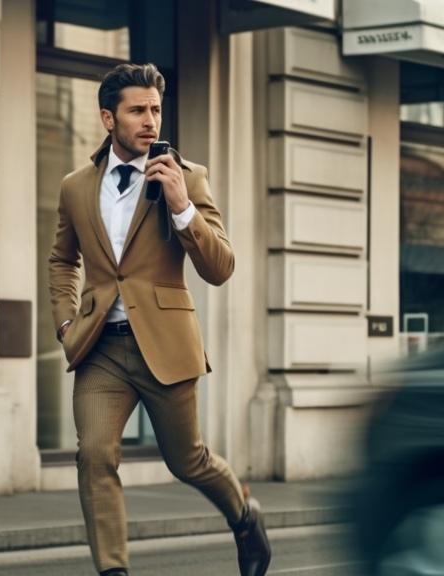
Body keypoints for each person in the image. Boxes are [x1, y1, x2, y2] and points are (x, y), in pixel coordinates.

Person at [48, 62, 271, 576]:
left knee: (186, 459)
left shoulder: (188, 177)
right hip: (101, 347)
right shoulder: (76, 186)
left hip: (165, 346)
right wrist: (65, 323)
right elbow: (63, 260)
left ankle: (243, 515)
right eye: (137, 110)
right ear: (109, 118)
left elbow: (221, 267)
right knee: (96, 457)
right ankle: (114, 570)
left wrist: (181, 207)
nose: (150, 120)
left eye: (155, 109)